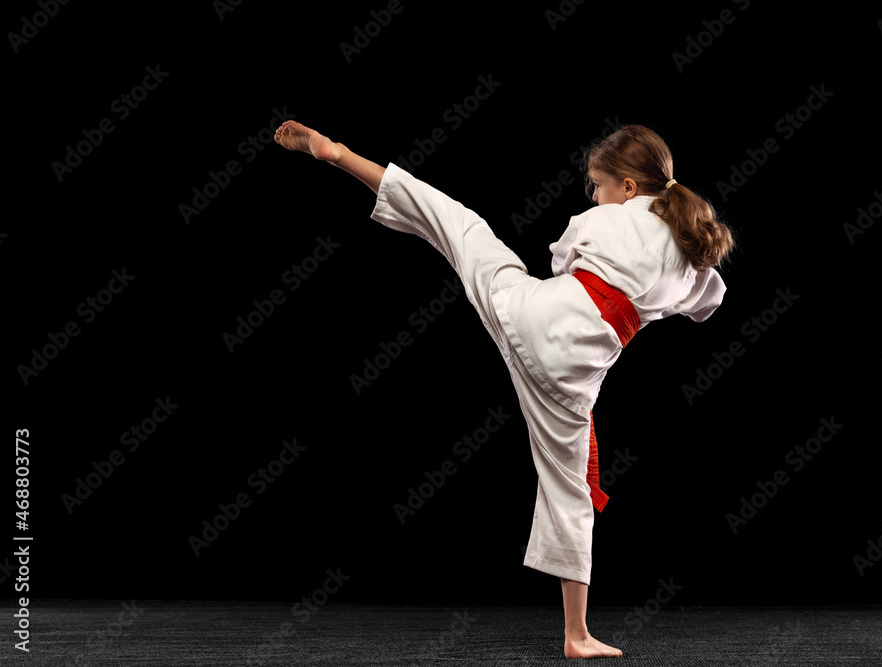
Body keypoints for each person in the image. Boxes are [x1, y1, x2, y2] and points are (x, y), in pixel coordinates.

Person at [274, 120, 734, 659]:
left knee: (460, 226)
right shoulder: (692, 248)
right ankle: (577, 635)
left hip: (530, 314)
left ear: (628, 187)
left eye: (597, 183)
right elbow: (708, 304)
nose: (594, 193)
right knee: (570, 490)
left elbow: (563, 257)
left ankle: (339, 155)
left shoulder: (606, 218)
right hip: (574, 373)